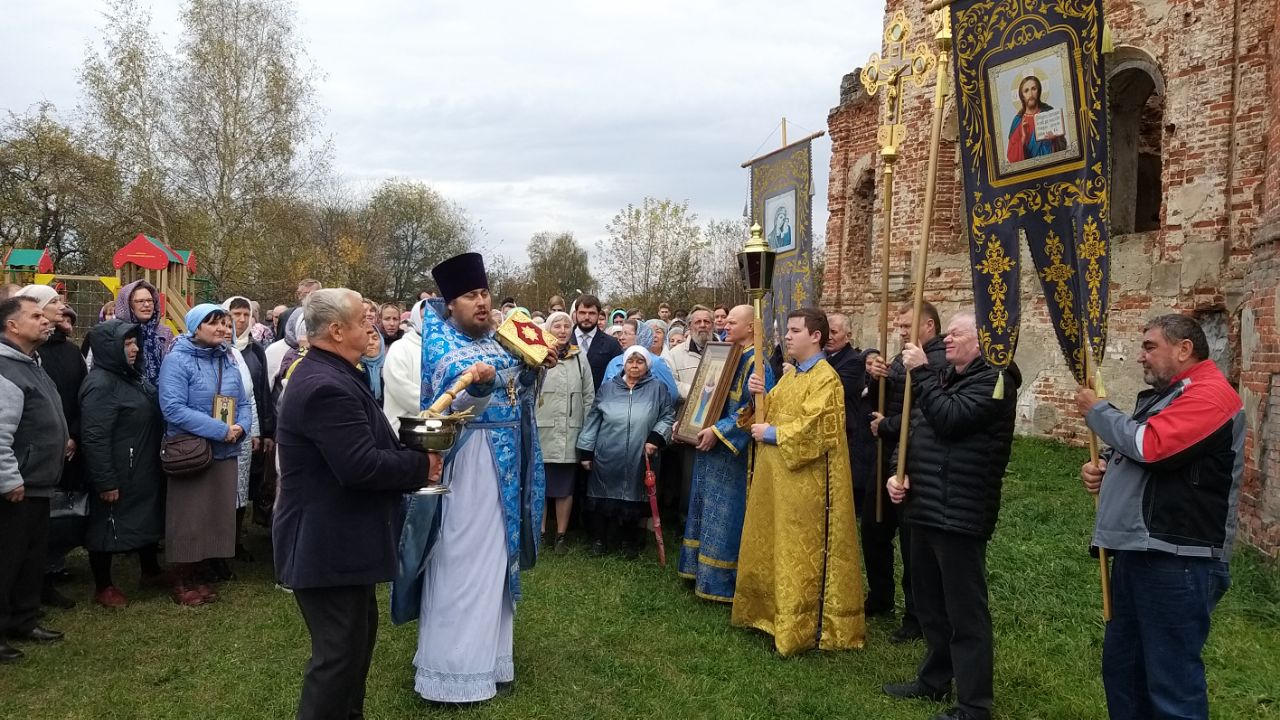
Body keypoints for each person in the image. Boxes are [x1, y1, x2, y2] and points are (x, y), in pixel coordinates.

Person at [273, 288, 436, 720]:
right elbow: (360, 467)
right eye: (363, 318)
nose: (372, 325)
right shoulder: (325, 384)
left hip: (344, 541)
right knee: (337, 659)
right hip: (326, 544)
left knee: (355, 648)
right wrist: (423, 466)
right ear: (336, 329)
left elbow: (367, 443)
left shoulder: (341, 373)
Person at [1075, 314, 1242, 720]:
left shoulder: (1211, 395)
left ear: (1184, 349)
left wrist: (1098, 411)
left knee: (1171, 685)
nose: (1140, 357)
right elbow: (1146, 456)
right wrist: (1109, 468)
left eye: (1150, 347)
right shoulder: (1172, 396)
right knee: (1125, 672)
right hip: (1141, 551)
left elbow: (1153, 446)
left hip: (1179, 560)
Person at [398, 252, 547, 703]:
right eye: (470, 296)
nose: (481, 303)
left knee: (498, 558)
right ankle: (451, 668)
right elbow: (448, 387)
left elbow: (518, 388)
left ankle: (491, 659)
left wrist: (536, 366)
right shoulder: (441, 343)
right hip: (467, 467)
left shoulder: (498, 340)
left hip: (502, 467)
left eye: (484, 293)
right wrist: (477, 384)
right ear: (450, 304)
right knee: (459, 558)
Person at [883, 311, 1019, 720]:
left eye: (957, 334)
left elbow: (950, 419)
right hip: (924, 505)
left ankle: (975, 705)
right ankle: (934, 679)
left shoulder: (996, 379)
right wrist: (896, 472)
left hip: (960, 511)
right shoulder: (944, 376)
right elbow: (916, 427)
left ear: (982, 341)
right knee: (930, 604)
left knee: (965, 612)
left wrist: (921, 375)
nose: (946, 341)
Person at [732, 308, 865, 656]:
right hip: (778, 480)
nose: (787, 337)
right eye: (786, 331)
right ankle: (768, 615)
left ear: (816, 336)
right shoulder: (792, 376)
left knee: (798, 552)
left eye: (794, 331)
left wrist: (772, 433)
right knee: (774, 544)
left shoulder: (826, 379)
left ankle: (801, 626)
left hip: (808, 483)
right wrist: (755, 394)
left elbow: (819, 430)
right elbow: (763, 412)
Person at [678, 305, 775, 601]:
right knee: (704, 508)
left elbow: (756, 409)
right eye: (727, 321)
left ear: (751, 329)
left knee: (727, 516)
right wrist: (689, 423)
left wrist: (717, 431)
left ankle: (723, 580)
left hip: (733, 456)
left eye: (733, 322)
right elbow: (705, 394)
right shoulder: (724, 353)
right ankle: (698, 571)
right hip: (708, 447)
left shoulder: (758, 364)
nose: (726, 325)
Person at [158, 304, 252, 606]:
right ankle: (181, 576)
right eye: (215, 324)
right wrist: (218, 429)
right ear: (196, 326)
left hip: (226, 449)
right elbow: (173, 408)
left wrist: (241, 427)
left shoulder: (228, 359)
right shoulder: (177, 360)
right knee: (188, 517)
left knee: (213, 515)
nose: (224, 330)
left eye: (227, 325)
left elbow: (244, 401)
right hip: (192, 451)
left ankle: (199, 573)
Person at [866, 301, 946, 641]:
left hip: (914, 460)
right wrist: (876, 379)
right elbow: (880, 405)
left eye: (906, 326)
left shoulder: (936, 361)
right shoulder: (901, 359)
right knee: (873, 529)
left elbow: (925, 415)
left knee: (913, 546)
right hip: (886, 456)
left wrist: (886, 426)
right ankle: (881, 596)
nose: (900, 332)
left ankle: (916, 615)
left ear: (928, 327)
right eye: (897, 326)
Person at [0, 296, 69, 662]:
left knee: (30, 557)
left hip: (39, 482)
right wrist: (8, 479)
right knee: (6, 559)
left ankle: (24, 620)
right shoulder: (5, 369)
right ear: (12, 325)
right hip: (16, 487)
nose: (47, 321)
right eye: (36, 316)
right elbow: (0, 432)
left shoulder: (32, 364)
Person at [80, 320, 167, 608]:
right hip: (119, 467)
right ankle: (103, 585)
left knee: (144, 515)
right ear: (109, 348)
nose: (134, 348)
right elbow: (93, 436)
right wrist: (106, 481)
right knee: (107, 522)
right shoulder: (100, 384)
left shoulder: (132, 376)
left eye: (134, 342)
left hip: (140, 464)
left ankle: (150, 570)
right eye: (126, 344)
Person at [14, 287, 84, 610]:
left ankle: (39, 591)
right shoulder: (18, 362)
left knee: (42, 535)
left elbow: (71, 398)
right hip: (23, 471)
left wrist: (72, 434)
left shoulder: (54, 355)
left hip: (54, 458)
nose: (57, 309)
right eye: (46, 307)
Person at [577, 346, 675, 557]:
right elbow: (593, 418)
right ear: (624, 364)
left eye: (639, 362)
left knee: (634, 497)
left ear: (647, 365)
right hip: (607, 452)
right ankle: (599, 540)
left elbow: (667, 416)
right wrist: (586, 450)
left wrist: (655, 438)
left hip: (641, 454)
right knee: (602, 496)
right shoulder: (608, 389)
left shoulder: (657, 389)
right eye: (631, 361)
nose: (634, 366)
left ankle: (629, 542)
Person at [536, 310, 594, 553]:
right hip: (542, 431)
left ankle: (561, 535)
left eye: (565, 326)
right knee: (539, 484)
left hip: (570, 432)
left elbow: (589, 395)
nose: (561, 330)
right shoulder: (536, 356)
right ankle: (538, 533)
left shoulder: (579, 357)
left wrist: (588, 431)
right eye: (556, 326)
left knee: (564, 486)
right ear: (547, 330)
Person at [224, 296, 273, 560]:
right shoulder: (219, 347)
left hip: (247, 429)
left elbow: (260, 393)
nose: (241, 320)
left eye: (245, 315)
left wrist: (264, 430)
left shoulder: (256, 350)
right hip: (221, 428)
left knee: (243, 487)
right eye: (235, 314)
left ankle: (236, 539)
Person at [115, 280, 174, 387]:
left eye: (150, 300)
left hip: (160, 395)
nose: (146, 305)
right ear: (129, 304)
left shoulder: (165, 332)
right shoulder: (116, 332)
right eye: (140, 301)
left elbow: (173, 369)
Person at [602, 320, 678, 399]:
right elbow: (603, 392)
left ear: (641, 335)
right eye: (621, 334)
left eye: (627, 334)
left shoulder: (655, 362)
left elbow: (672, 393)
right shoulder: (615, 362)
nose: (621, 338)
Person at [382, 300, 425, 433]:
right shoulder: (400, 347)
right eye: (425, 318)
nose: (431, 323)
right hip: (403, 430)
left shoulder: (442, 350)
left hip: (436, 429)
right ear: (416, 318)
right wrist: (441, 407)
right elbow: (401, 387)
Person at [1006, 75, 1066, 162]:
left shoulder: (1049, 113)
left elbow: (1063, 146)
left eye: (1033, 89)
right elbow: (1011, 157)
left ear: (1039, 91)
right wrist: (1023, 138)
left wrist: (1055, 140)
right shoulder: (1018, 121)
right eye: (1026, 91)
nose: (1030, 94)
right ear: (1022, 96)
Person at [574, 294, 622, 391]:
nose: (587, 317)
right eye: (582, 313)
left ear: (599, 314)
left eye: (591, 313)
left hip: (600, 401)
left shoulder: (612, 344)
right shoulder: (563, 342)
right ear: (575, 313)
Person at [359, 328, 385, 404]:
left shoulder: (390, 366)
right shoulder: (355, 368)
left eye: (375, 338)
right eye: (366, 338)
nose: (370, 343)